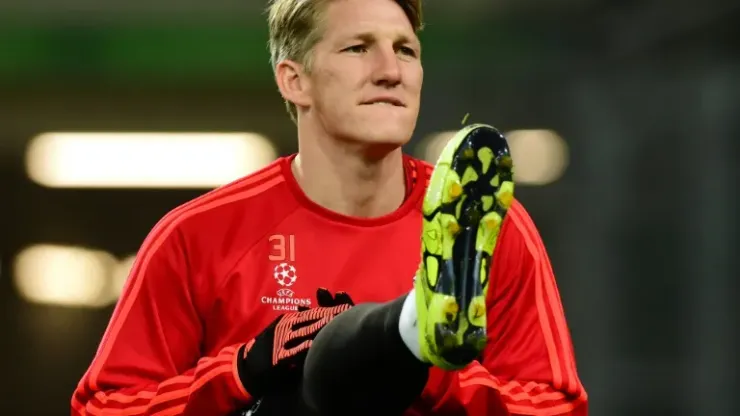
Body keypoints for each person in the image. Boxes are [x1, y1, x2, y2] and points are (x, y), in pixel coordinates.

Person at [71, 0, 588, 415]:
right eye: (359, 48)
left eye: (406, 50)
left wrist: (431, 377)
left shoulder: (488, 225)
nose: (391, 71)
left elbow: (555, 407)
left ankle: (411, 340)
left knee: (362, 373)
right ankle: (409, 330)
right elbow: (104, 408)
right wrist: (241, 370)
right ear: (294, 80)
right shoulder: (197, 236)